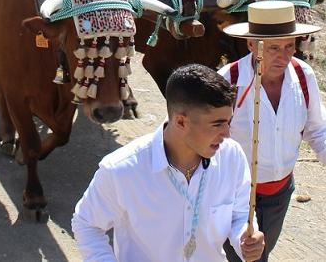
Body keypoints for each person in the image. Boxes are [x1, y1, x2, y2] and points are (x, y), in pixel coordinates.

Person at [220, 0, 326, 262]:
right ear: (252, 45)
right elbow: (210, 141)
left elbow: (318, 130)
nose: (284, 56)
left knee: (260, 254)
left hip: (280, 193)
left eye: (289, 46)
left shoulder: (303, 76)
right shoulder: (229, 81)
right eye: (274, 48)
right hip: (235, 195)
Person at [72, 64, 266, 262]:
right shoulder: (121, 170)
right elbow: (86, 223)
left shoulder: (232, 157)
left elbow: (240, 214)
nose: (226, 133)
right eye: (217, 124)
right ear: (181, 122)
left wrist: (245, 237)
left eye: (228, 122)